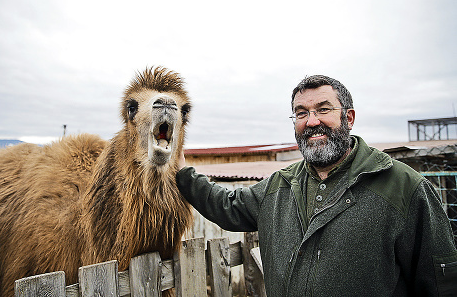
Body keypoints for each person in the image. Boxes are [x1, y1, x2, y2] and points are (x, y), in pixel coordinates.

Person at [176, 75, 457, 296]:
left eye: (323, 110)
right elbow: (227, 207)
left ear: (348, 117)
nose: (312, 122)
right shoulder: (280, 185)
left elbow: (441, 283)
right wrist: (182, 171)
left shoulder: (404, 188)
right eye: (301, 113)